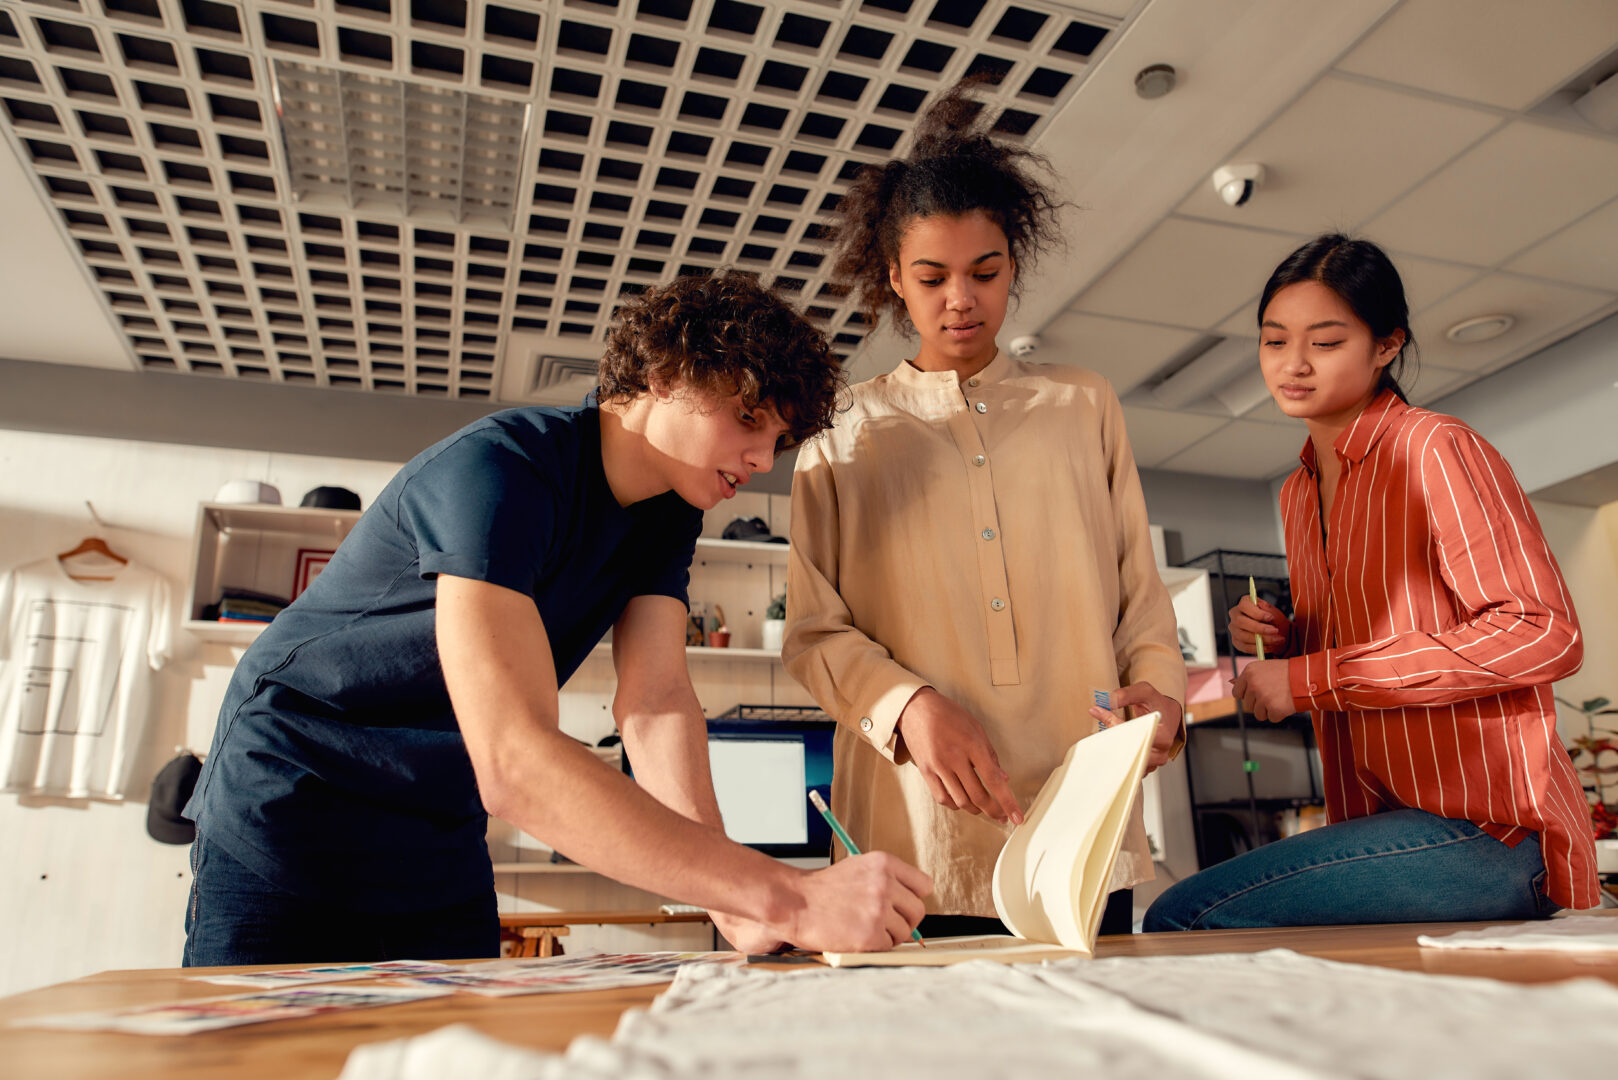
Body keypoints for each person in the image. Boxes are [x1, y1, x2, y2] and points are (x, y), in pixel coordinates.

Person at [182, 272, 932, 966]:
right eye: (748, 420)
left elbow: (657, 701)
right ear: (666, 373)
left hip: (437, 832)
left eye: (778, 438)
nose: (763, 458)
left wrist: (732, 900)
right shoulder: (501, 473)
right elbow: (515, 761)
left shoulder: (666, 517)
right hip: (294, 805)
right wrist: (786, 894)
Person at [784, 81, 1187, 939]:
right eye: (931, 277)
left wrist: (1161, 693)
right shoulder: (839, 430)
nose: (959, 299)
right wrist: (909, 707)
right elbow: (813, 631)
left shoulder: (1084, 406)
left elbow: (1138, 593)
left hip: (1078, 817)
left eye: (985, 272)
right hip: (912, 826)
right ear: (894, 277)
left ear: (1015, 268)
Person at [1144, 235, 1599, 931]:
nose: (1292, 364)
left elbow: (1541, 633)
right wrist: (1289, 637)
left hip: (1492, 832)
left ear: (1386, 346)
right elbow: (1382, 643)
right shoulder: (1300, 491)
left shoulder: (1434, 448)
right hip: (1388, 821)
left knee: (1183, 912)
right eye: (1273, 341)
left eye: (1325, 343)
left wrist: (1308, 677)